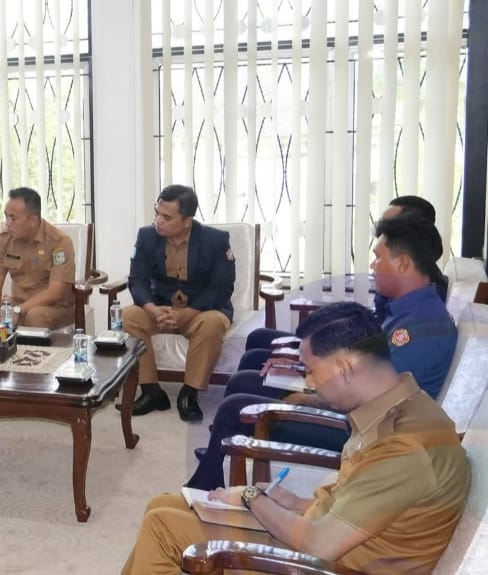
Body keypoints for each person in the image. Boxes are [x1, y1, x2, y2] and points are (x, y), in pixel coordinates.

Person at [123, 301, 470, 575]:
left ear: (345, 368)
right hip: (326, 545)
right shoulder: (398, 409)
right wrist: (290, 502)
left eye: (312, 371)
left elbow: (319, 544)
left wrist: (250, 496)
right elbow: (362, 512)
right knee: (162, 506)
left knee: (163, 527)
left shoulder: (404, 448)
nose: (310, 383)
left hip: (323, 563)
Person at [186, 213, 457, 490]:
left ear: (403, 263)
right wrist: (299, 366)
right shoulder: (407, 309)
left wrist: (300, 396)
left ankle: (206, 484)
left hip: (358, 432)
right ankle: (217, 456)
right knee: (251, 370)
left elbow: (368, 398)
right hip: (355, 411)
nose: (372, 265)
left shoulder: (419, 329)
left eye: (378, 257)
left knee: (236, 405)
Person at [241, 195, 447, 358]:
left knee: (251, 368)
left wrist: (314, 366)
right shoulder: (410, 291)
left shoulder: (421, 302)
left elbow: (376, 372)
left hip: (351, 368)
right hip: (353, 354)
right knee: (259, 340)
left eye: (390, 223)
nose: (382, 230)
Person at [123, 185, 236, 421]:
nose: (158, 221)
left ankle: (189, 393)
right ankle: (151, 390)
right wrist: (152, 309)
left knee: (213, 323)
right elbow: (137, 280)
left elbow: (222, 287)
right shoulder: (146, 236)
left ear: (187, 221)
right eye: (157, 213)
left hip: (201, 311)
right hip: (161, 309)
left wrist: (189, 313)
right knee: (129, 316)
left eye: (166, 217)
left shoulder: (215, 240)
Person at [0, 187, 76, 330]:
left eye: (13, 218)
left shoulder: (59, 242)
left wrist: (19, 310)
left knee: (35, 316)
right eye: (6, 216)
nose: (7, 223)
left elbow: (55, 292)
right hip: (16, 303)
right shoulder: (5, 239)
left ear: (33, 220)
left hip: (54, 307)